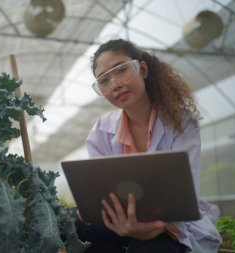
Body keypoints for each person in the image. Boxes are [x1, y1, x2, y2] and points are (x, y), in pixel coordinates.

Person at [74, 39, 222, 253]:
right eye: (104, 80)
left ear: (142, 69)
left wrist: (153, 229)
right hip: (118, 222)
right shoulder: (100, 131)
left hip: (171, 224)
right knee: (75, 228)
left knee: (148, 247)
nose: (115, 84)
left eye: (121, 70)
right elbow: (101, 195)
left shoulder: (181, 121)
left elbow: (182, 198)